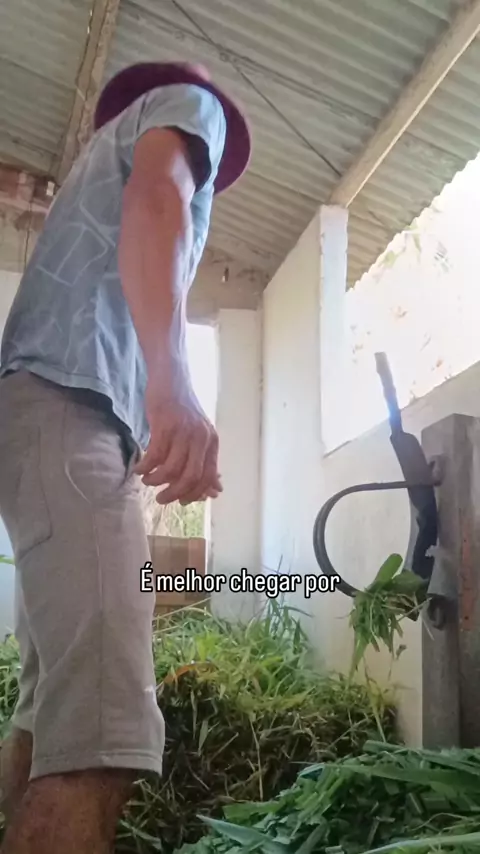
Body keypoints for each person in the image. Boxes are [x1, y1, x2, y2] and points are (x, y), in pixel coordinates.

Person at [0, 62, 250, 854]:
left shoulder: (92, 181)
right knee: (101, 739)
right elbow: (161, 199)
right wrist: (173, 381)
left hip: (47, 417)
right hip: (68, 408)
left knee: (51, 714)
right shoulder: (191, 106)